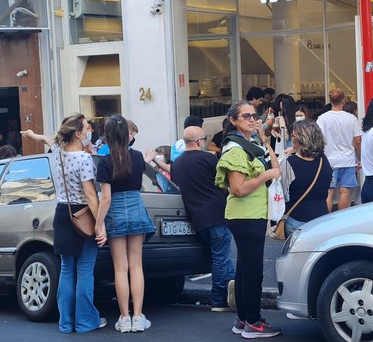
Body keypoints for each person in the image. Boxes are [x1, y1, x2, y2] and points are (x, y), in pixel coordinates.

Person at [22, 114, 108, 334]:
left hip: (62, 213)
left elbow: (48, 141)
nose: (90, 132)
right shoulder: (84, 159)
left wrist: (33, 135)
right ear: (78, 133)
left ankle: (66, 323)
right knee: (85, 270)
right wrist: (100, 225)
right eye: (87, 129)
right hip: (83, 215)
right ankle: (86, 322)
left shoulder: (58, 154)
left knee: (67, 269)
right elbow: (90, 194)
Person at [215, 101, 282, 338]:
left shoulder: (250, 144)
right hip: (246, 216)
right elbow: (238, 189)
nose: (253, 119)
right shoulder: (235, 149)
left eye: (255, 116)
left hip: (252, 215)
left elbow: (276, 168)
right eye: (246, 116)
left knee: (245, 270)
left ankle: (244, 318)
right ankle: (253, 321)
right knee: (252, 272)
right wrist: (265, 174)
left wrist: (265, 141)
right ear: (233, 120)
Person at [98, 115, 155, 333]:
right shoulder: (139, 157)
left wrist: (98, 224)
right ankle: (138, 317)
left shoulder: (105, 161)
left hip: (115, 214)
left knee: (120, 269)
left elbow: (106, 198)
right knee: (137, 266)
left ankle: (124, 318)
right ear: (127, 135)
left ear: (109, 136)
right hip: (136, 209)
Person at [169, 126, 235, 312]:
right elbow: (224, 183)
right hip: (216, 213)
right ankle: (219, 299)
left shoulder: (177, 164)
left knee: (221, 255)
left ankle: (235, 292)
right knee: (221, 257)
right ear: (199, 141)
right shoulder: (209, 158)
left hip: (197, 217)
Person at [279, 121, 332, 236]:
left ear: (299, 139)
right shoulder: (323, 159)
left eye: (293, 135)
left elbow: (283, 192)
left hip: (297, 218)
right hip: (321, 216)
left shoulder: (289, 163)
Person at [316, 88, 362, 211]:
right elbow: (357, 141)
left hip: (329, 160)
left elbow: (318, 140)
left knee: (329, 191)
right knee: (345, 190)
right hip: (347, 159)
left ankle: (325, 219)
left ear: (330, 101)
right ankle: (341, 219)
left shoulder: (322, 118)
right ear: (343, 101)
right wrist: (360, 158)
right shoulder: (351, 118)